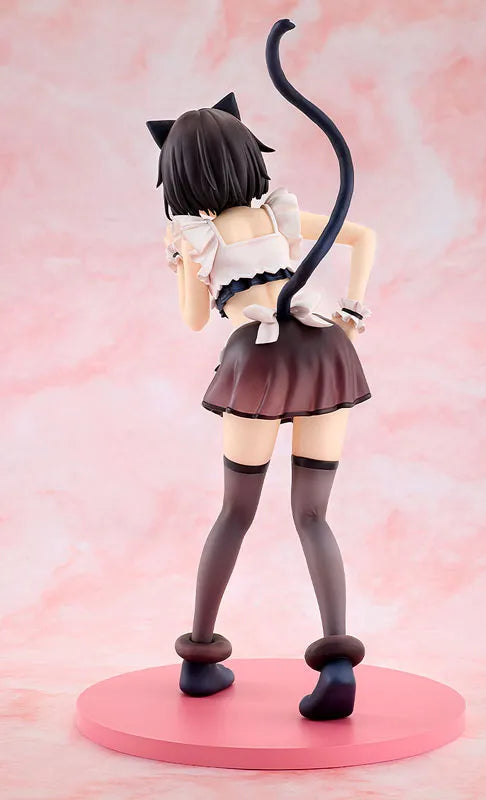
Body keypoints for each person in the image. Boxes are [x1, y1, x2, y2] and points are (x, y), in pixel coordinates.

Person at [146, 19, 376, 721]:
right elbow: (362, 235)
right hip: (325, 351)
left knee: (235, 511)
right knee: (313, 513)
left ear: (178, 173)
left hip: (258, 362)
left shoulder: (194, 232)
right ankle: (336, 662)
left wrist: (179, 264)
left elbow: (195, 320)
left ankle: (199, 662)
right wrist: (352, 308)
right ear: (246, 153)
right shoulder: (276, 213)